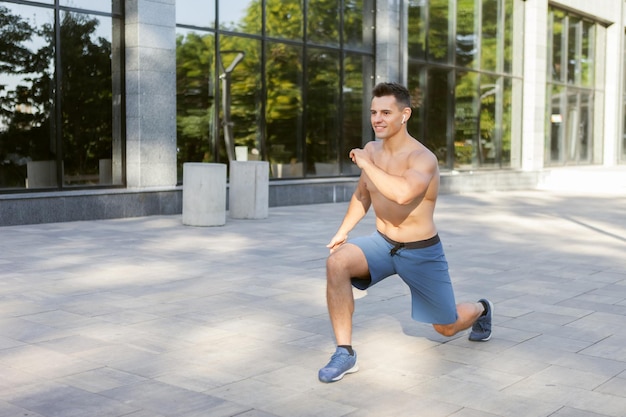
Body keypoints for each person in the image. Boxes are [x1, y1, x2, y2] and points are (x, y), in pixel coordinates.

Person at [318, 82, 493, 383]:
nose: (378, 119)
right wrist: (342, 232)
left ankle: (481, 309)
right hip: (382, 244)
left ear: (405, 114)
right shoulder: (371, 150)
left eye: (386, 112)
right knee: (337, 263)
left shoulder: (422, 158)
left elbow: (402, 194)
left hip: (420, 252)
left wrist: (366, 163)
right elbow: (363, 195)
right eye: (374, 112)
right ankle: (344, 352)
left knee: (445, 328)